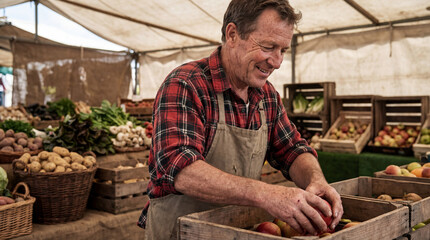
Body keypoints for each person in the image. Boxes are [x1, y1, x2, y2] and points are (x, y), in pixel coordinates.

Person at [138, 0, 343, 239]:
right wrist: (268, 195)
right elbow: (181, 169)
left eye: (283, 50)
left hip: (238, 232)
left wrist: (315, 179)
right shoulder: (186, 84)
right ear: (233, 34)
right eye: (268, 46)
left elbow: (292, 149)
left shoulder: (266, 95)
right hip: (180, 232)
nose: (277, 62)